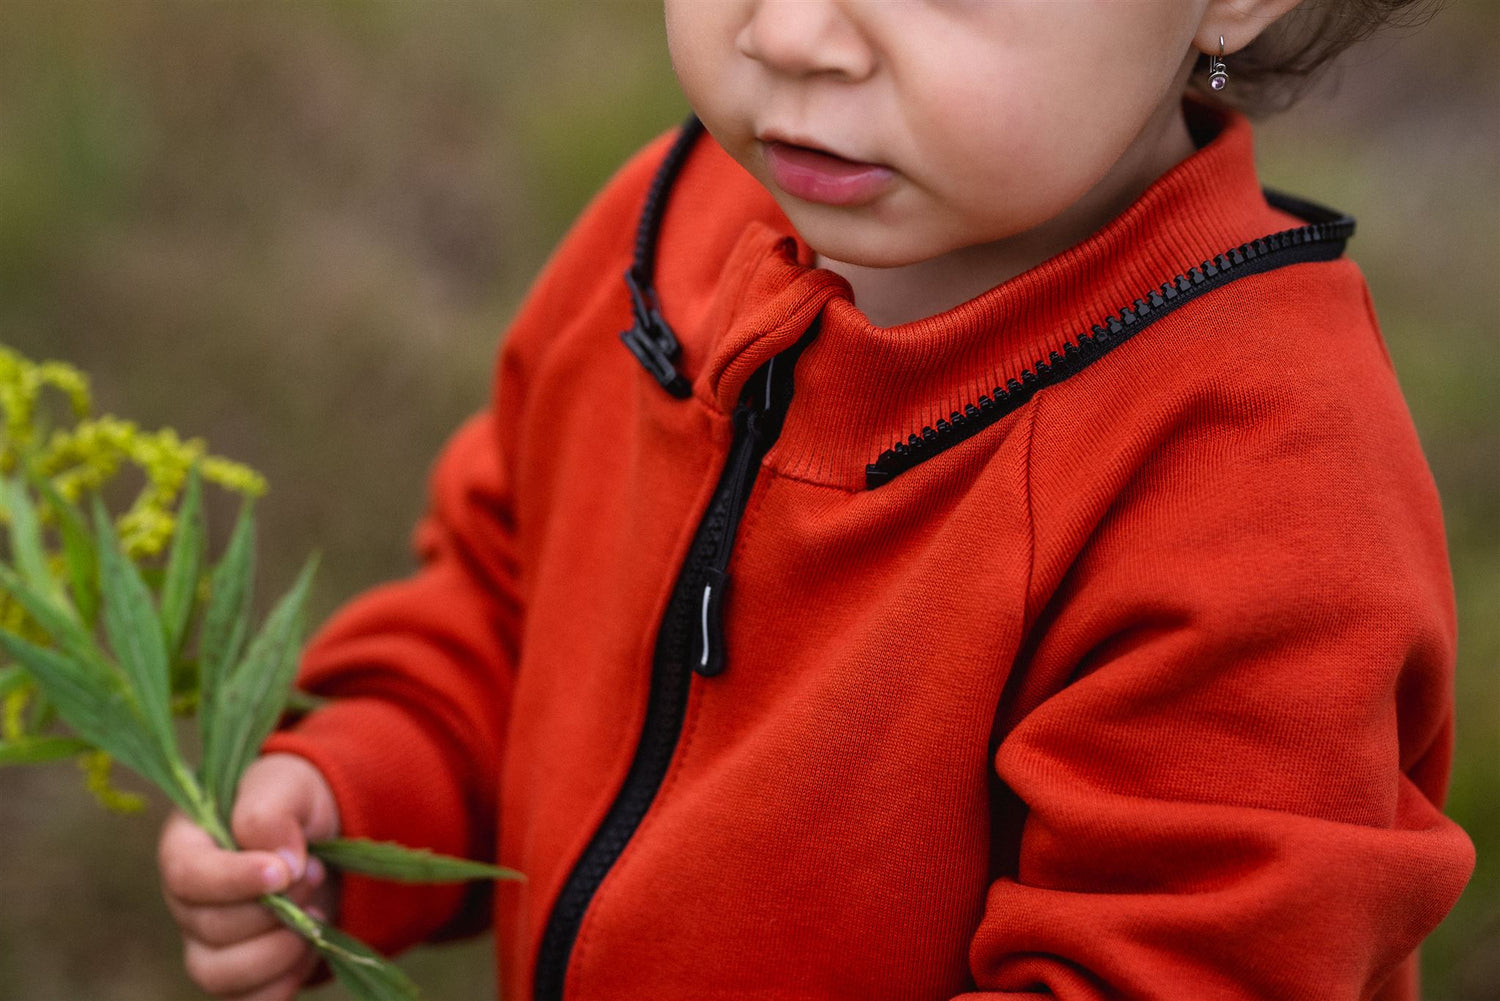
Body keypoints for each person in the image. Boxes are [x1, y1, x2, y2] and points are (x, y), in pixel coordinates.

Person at [157, 1, 1476, 999]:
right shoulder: (671, 228)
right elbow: (512, 597)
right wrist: (357, 789)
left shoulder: (1255, 486)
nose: (789, 33)